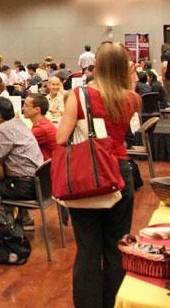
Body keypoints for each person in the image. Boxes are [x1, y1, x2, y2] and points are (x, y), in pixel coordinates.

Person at [57, 42, 140, 308]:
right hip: (121, 173)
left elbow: (60, 138)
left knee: (88, 250)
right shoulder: (132, 98)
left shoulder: (79, 95)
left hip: (89, 175)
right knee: (117, 248)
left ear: (97, 65)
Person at [22, 94, 57, 161]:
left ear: (37, 110)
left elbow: (21, 147)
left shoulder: (41, 129)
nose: (22, 108)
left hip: (49, 168)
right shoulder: (43, 123)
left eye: (26, 105)